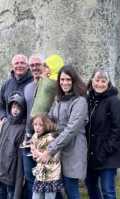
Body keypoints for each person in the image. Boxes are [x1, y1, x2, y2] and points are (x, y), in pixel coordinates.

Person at [37, 65, 88, 199]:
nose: (65, 83)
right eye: (62, 79)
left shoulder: (80, 101)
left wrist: (50, 150)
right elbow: (49, 121)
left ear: (74, 81)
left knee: (71, 191)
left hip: (73, 149)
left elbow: (71, 129)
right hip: (57, 150)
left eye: (68, 79)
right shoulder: (59, 100)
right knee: (55, 189)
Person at [85, 67, 120, 199]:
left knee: (108, 191)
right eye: (97, 80)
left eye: (103, 81)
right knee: (91, 185)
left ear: (108, 83)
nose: (99, 84)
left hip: (108, 154)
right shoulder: (89, 100)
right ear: (92, 80)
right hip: (91, 153)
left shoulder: (113, 101)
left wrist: (106, 149)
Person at [0, 91, 27, 199]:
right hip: (1, 164)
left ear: (22, 110)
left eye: (19, 108)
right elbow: (0, 144)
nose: (15, 110)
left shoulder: (22, 128)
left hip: (11, 167)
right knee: (0, 191)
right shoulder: (6, 123)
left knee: (11, 192)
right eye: (14, 107)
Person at [22, 54, 46, 199]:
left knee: (47, 177)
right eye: (32, 65)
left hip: (45, 138)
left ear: (44, 66)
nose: (35, 68)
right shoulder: (27, 87)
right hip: (29, 137)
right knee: (30, 175)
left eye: (38, 64)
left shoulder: (51, 86)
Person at [30, 112, 63, 199]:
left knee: (49, 197)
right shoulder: (35, 136)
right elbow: (35, 155)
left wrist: (38, 154)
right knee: (36, 196)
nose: (37, 127)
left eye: (40, 125)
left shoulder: (51, 139)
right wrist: (34, 153)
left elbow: (55, 158)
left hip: (51, 175)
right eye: (35, 124)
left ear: (47, 125)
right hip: (40, 173)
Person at [0, 54, 33, 125]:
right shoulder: (6, 85)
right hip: (9, 128)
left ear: (28, 66)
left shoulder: (34, 83)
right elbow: (1, 105)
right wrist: (3, 117)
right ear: (12, 67)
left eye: (22, 63)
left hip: (27, 128)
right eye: (16, 63)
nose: (19, 65)